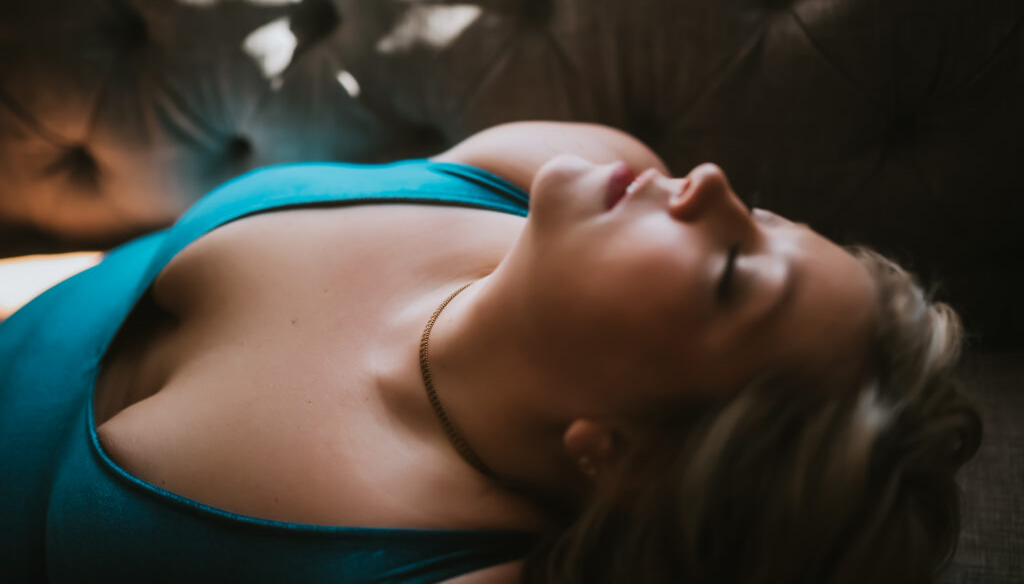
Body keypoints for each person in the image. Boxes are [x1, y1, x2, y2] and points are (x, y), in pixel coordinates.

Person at [0, 121, 981, 584]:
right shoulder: (558, 168)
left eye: (730, 273)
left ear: (627, 455)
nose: (710, 182)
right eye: (765, 218)